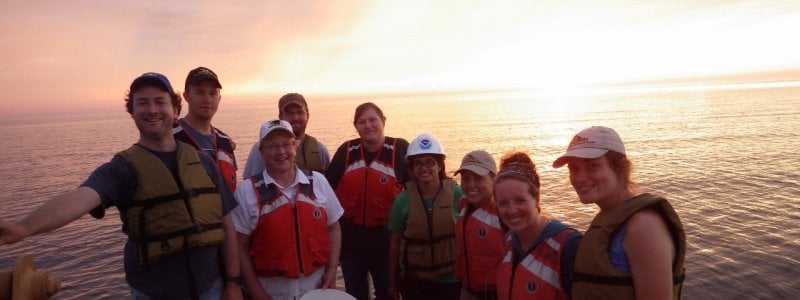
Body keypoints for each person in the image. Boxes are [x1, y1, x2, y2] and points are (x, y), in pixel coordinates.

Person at [0, 72, 242, 300]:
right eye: (142, 103)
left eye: (160, 101)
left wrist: (232, 282)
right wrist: (23, 229)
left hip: (211, 287)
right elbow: (80, 198)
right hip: (155, 292)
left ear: (176, 109)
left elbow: (226, 225)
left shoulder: (204, 163)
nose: (152, 110)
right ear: (132, 112)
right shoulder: (122, 169)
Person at [552, 126, 686, 300]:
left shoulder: (643, 226)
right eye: (574, 169)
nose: (579, 177)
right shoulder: (613, 217)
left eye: (592, 166)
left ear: (621, 167)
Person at [232, 119, 343, 300]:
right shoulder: (246, 191)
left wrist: (332, 269)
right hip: (271, 291)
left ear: (295, 147)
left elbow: (333, 227)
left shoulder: (318, 182)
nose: (281, 151)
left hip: (316, 288)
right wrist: (256, 292)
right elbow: (240, 246)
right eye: (272, 146)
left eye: (286, 144)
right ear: (261, 152)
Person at [325, 102, 409, 300]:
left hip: (386, 244)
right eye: (361, 122)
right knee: (355, 294)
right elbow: (326, 193)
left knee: (387, 293)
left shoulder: (400, 149)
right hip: (351, 245)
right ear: (356, 126)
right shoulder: (346, 151)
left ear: (383, 121)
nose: (368, 125)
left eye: (373, 119)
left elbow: (415, 192)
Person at [493, 151, 582, 300]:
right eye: (503, 203)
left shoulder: (568, 246)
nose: (512, 210)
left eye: (520, 200)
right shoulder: (509, 241)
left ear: (536, 199)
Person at [387, 133, 463, 300]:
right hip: (415, 281)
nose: (424, 168)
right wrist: (392, 282)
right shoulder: (402, 201)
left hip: (451, 280)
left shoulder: (457, 194)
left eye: (430, 162)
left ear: (440, 166)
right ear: (412, 169)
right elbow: (394, 243)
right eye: (418, 163)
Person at [173, 66, 238, 191]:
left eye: (213, 93)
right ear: (187, 96)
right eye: (200, 92)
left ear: (219, 98)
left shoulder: (225, 142)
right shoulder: (170, 137)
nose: (207, 99)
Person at [453, 150, 505, 300]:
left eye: (478, 178)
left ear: (494, 179)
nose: (470, 185)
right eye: (466, 178)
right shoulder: (463, 204)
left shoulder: (504, 213)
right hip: (469, 289)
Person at [243, 93, 331, 178]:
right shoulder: (263, 149)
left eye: (299, 112)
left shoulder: (320, 149)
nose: (295, 118)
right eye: (289, 113)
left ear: (307, 115)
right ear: (280, 117)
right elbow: (251, 185)